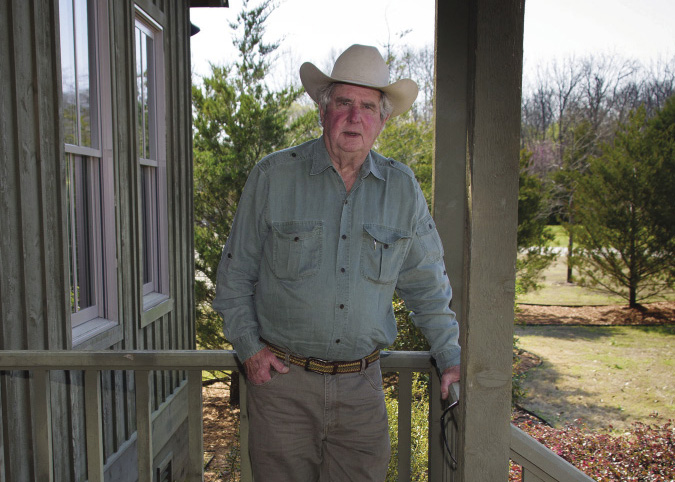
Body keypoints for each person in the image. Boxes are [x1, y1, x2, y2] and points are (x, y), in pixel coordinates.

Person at [213, 44, 460, 481]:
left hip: (361, 391)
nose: (354, 117)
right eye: (344, 102)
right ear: (323, 111)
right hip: (282, 389)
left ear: (383, 120)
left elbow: (428, 286)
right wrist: (250, 350)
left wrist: (450, 354)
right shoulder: (273, 176)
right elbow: (234, 277)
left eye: (367, 106)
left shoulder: (402, 190)